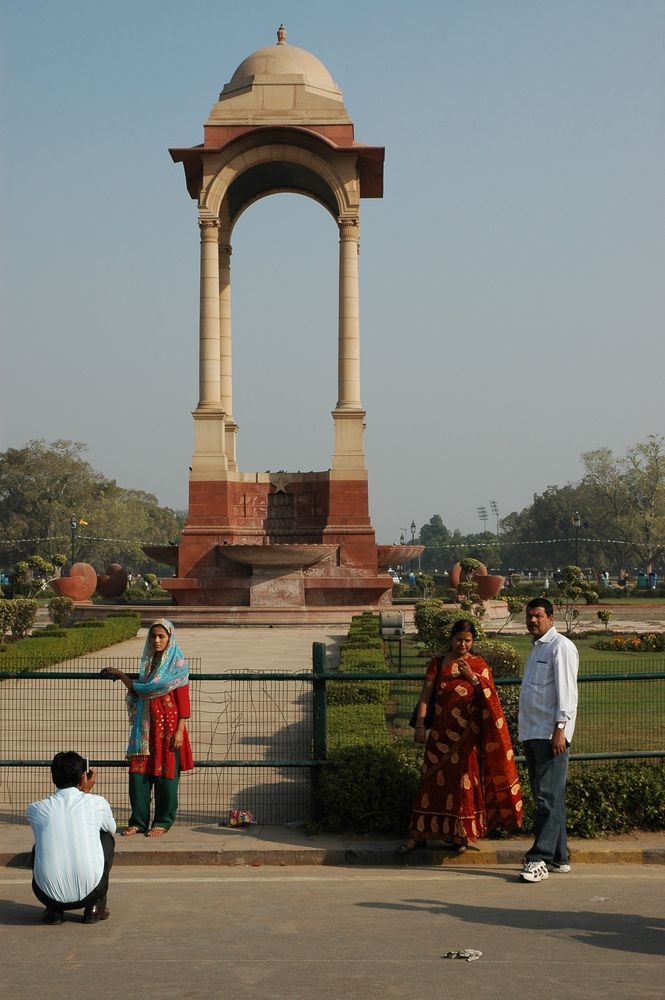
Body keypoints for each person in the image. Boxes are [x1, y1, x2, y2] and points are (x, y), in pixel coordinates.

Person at [397, 619, 523, 855]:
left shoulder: (478, 664)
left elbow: (490, 698)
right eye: (458, 639)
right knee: (429, 784)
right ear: (451, 639)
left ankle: (460, 835)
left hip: (467, 738)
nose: (462, 644)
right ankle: (418, 835)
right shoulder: (437, 663)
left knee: (463, 787)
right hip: (439, 736)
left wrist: (472, 677)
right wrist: (420, 726)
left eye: (467, 640)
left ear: (473, 642)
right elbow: (426, 697)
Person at [101, 618, 194, 837]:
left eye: (162, 636)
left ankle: (163, 821)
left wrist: (180, 730)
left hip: (168, 729)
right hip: (144, 728)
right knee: (139, 774)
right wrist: (122, 675)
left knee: (165, 775)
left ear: (170, 638)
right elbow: (142, 690)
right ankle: (138, 821)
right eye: (153, 636)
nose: (157, 640)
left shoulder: (177, 664)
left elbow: (183, 701)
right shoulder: (149, 661)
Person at [518, 598, 579, 883]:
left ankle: (539, 858)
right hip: (533, 733)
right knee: (550, 797)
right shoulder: (537, 648)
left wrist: (560, 729)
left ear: (551, 618)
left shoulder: (560, 647)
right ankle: (559, 857)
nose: (532, 620)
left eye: (538, 616)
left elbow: (567, 692)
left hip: (550, 734)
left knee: (547, 799)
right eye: (529, 616)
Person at [26, 751, 116, 925]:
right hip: (93, 890)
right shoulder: (97, 803)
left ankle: (53, 910)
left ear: (53, 777)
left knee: (40, 846)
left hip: (46, 894)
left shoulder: (35, 809)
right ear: (84, 777)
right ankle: (95, 907)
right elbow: (111, 829)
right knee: (105, 837)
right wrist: (87, 792)